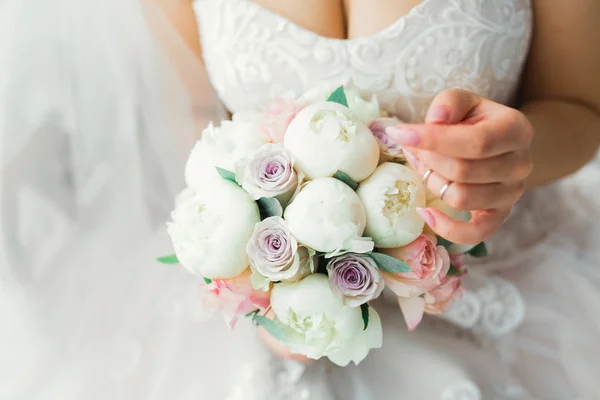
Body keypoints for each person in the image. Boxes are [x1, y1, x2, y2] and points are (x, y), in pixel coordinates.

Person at [1, 0, 599, 398]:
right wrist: (255, 278)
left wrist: (514, 156)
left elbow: (581, 108)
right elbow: (197, 118)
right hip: (265, 328)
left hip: (513, 292)